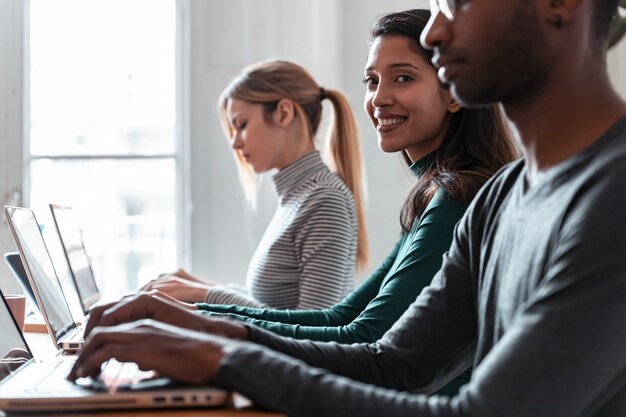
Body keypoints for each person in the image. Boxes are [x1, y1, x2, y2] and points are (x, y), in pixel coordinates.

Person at [70, 1, 626, 416]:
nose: (436, 29)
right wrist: (207, 332)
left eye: (457, 0)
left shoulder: (612, 197)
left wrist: (221, 355)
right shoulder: (498, 198)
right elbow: (391, 361)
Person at [188, 10, 516, 359]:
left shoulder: (455, 198)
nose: (379, 98)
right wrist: (196, 316)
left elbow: (364, 335)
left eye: (403, 78)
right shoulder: (431, 195)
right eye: (372, 81)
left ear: (454, 93)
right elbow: (344, 317)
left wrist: (200, 317)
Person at [145, 60, 369, 310]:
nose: (234, 143)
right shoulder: (299, 197)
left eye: (241, 125)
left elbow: (310, 328)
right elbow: (267, 304)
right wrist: (198, 287)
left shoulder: (325, 200)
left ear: (284, 113)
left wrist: (205, 294)